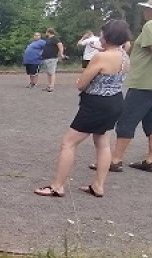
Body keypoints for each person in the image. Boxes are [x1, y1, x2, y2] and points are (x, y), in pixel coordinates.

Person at [35, 19, 132, 198]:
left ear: (107, 37)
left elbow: (82, 84)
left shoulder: (101, 57)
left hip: (96, 103)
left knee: (68, 143)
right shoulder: (124, 56)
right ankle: (98, 186)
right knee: (103, 143)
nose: (100, 37)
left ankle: (57, 186)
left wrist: (79, 81)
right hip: (116, 101)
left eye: (102, 34)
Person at [96, 0, 152, 175]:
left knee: (127, 119)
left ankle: (115, 159)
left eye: (147, 8)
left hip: (145, 82)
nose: (144, 11)